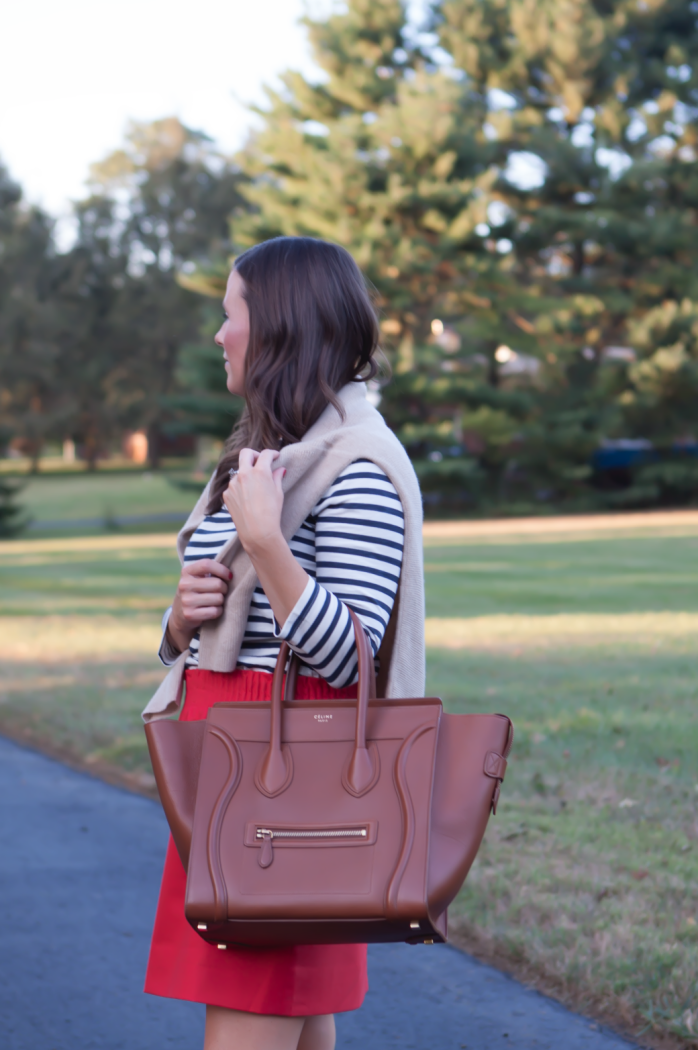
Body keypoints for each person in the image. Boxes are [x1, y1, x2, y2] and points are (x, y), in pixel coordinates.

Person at [141, 236, 425, 1050]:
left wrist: (267, 547)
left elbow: (354, 658)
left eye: (230, 317)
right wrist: (180, 621)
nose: (219, 336)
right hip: (239, 773)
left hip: (283, 787)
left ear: (277, 331)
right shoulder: (267, 451)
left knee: (259, 1015)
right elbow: (225, 625)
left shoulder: (357, 465)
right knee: (294, 1021)